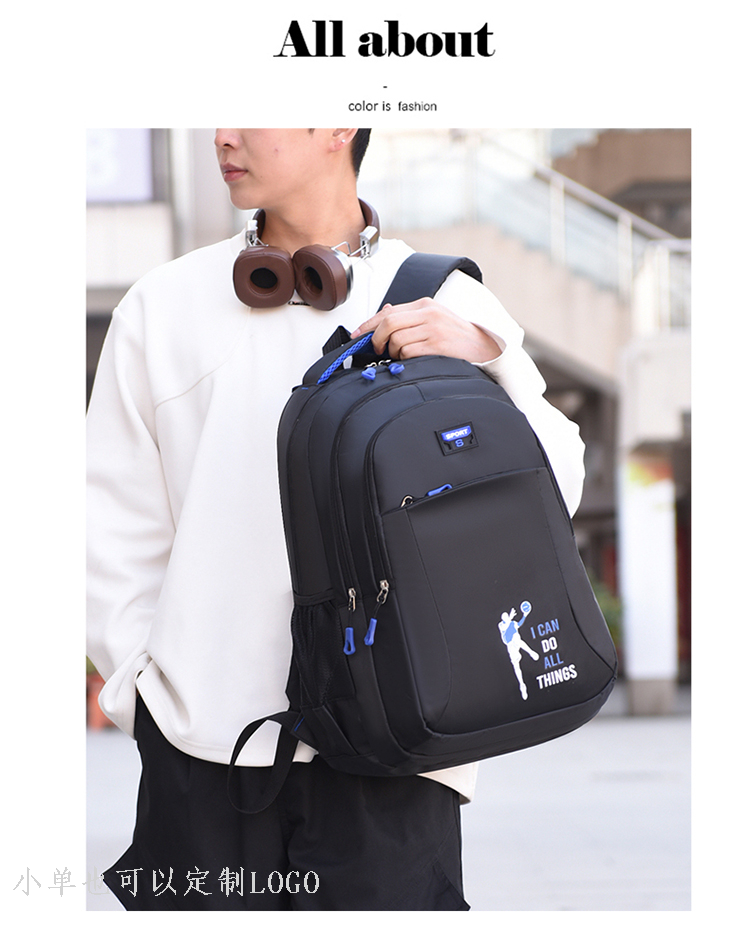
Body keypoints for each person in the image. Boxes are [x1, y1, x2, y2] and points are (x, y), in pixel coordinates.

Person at [86, 128, 586, 911]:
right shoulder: (163, 305)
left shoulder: (445, 298)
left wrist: (488, 360)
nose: (223, 135)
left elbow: (554, 487)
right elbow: (111, 522)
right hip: (203, 753)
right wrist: (145, 697)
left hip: (398, 751)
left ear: (337, 124)